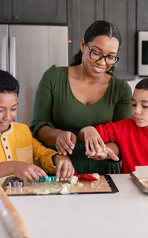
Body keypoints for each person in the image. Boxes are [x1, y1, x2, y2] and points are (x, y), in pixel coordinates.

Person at [30, 20, 132, 174]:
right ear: (83, 45)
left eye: (110, 57)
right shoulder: (53, 77)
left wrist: (106, 151)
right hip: (61, 170)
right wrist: (58, 135)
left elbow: (123, 138)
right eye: (96, 52)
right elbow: (38, 126)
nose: (102, 63)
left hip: (106, 172)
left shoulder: (121, 89)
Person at [0, 70, 74, 186]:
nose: (7, 116)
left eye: (13, 108)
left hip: (23, 201)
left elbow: (42, 154)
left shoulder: (23, 130)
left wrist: (57, 158)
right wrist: (13, 167)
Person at [78, 76, 148, 174]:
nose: (136, 110)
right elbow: (84, 135)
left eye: (145, 106)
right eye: (133, 104)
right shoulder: (125, 127)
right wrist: (88, 130)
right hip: (127, 194)